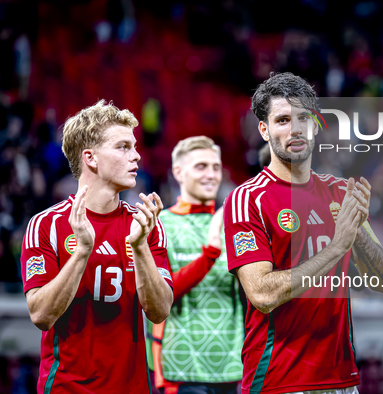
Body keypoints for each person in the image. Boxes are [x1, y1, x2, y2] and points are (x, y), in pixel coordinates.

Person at [223, 72, 383, 394]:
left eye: (303, 118)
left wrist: (356, 233)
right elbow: (262, 294)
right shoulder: (247, 199)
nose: (295, 129)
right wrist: (335, 247)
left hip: (342, 378)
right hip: (279, 380)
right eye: (283, 120)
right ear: (264, 129)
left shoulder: (342, 192)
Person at [20, 100, 174, 393]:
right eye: (123, 147)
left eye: (135, 146)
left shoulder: (144, 224)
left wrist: (140, 248)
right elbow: (41, 315)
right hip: (66, 388)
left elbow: (159, 311)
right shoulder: (46, 225)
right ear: (91, 158)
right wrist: (82, 252)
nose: (137, 156)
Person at [147, 136, 244, 394]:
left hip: (232, 367)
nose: (211, 175)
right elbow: (159, 299)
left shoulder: (233, 226)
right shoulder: (160, 225)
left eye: (215, 167)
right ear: (178, 172)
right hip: (180, 367)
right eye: (201, 166)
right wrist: (210, 253)